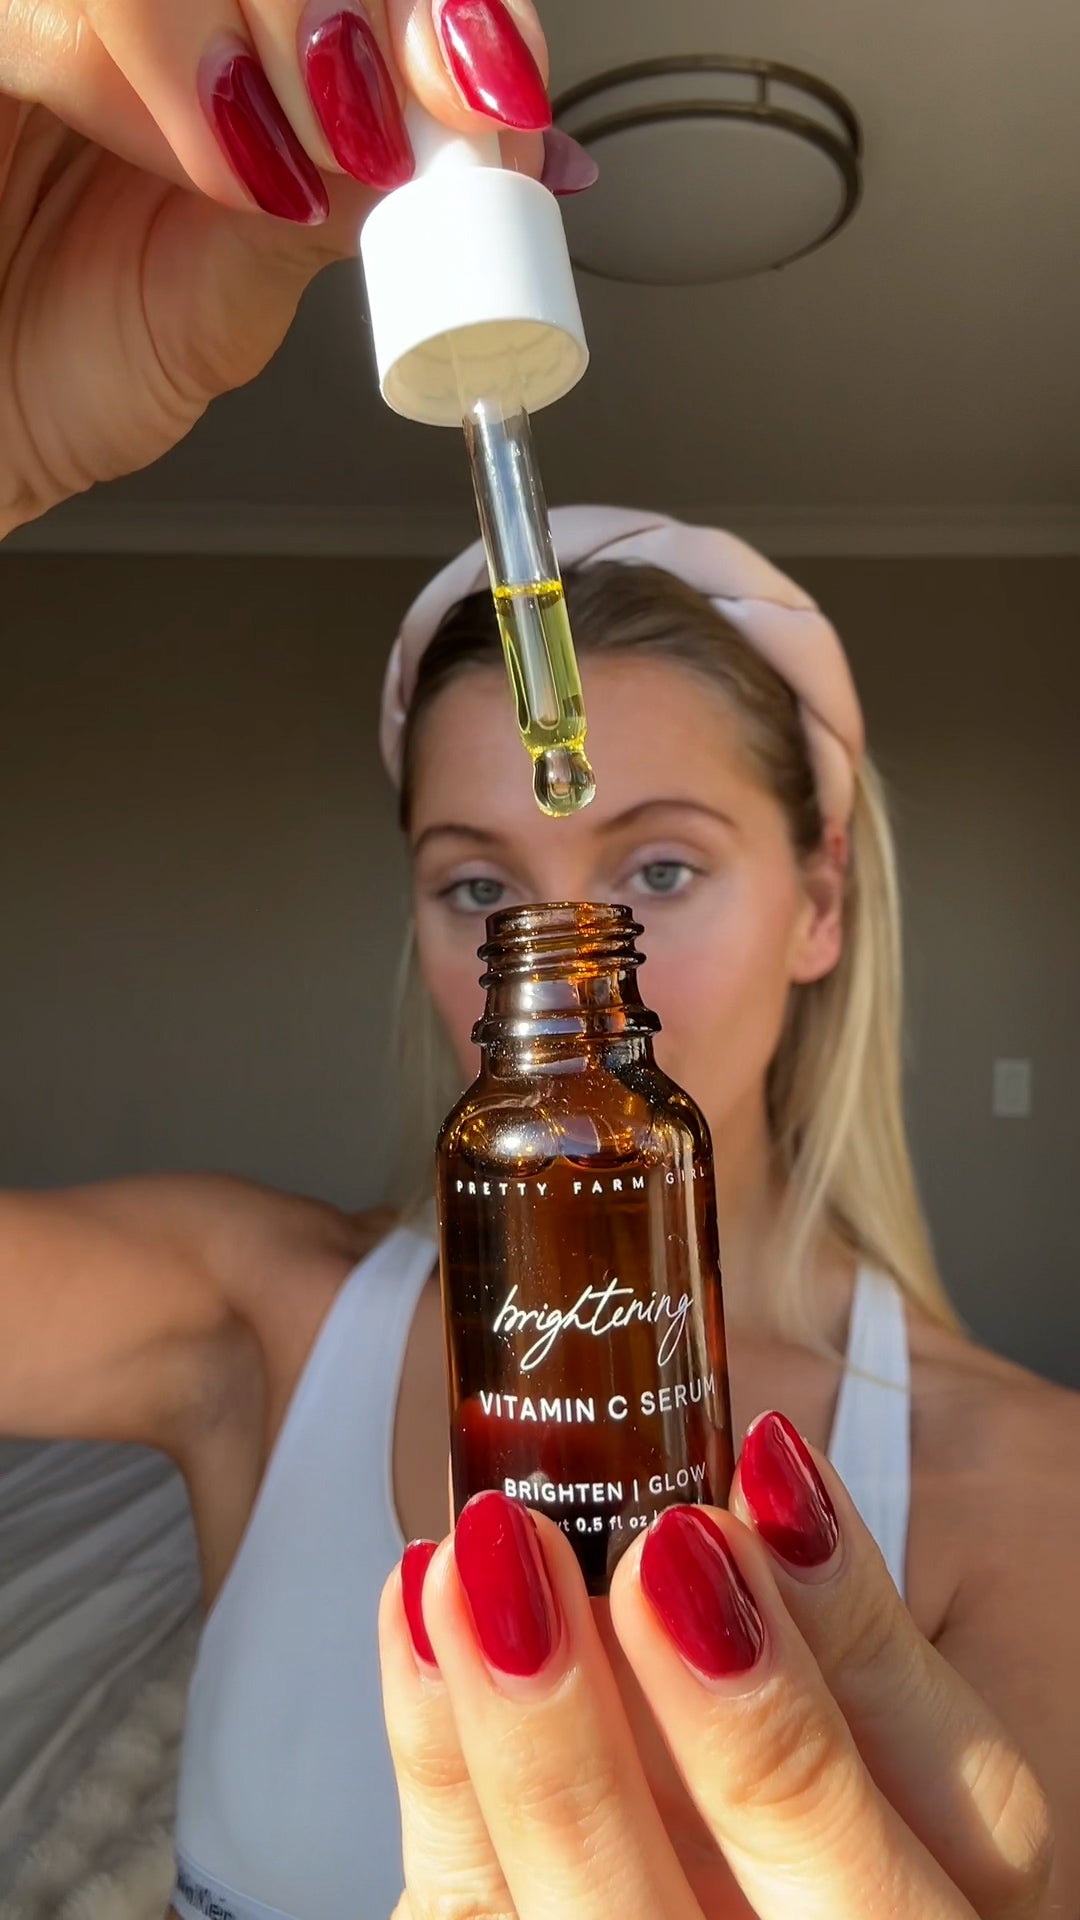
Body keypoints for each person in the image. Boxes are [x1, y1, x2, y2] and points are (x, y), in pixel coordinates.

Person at [0, 6, 1076, 1918]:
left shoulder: (1034, 1487)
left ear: (825, 897)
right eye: (479, 890)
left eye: (659, 864)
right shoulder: (257, 1313)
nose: (572, 953)